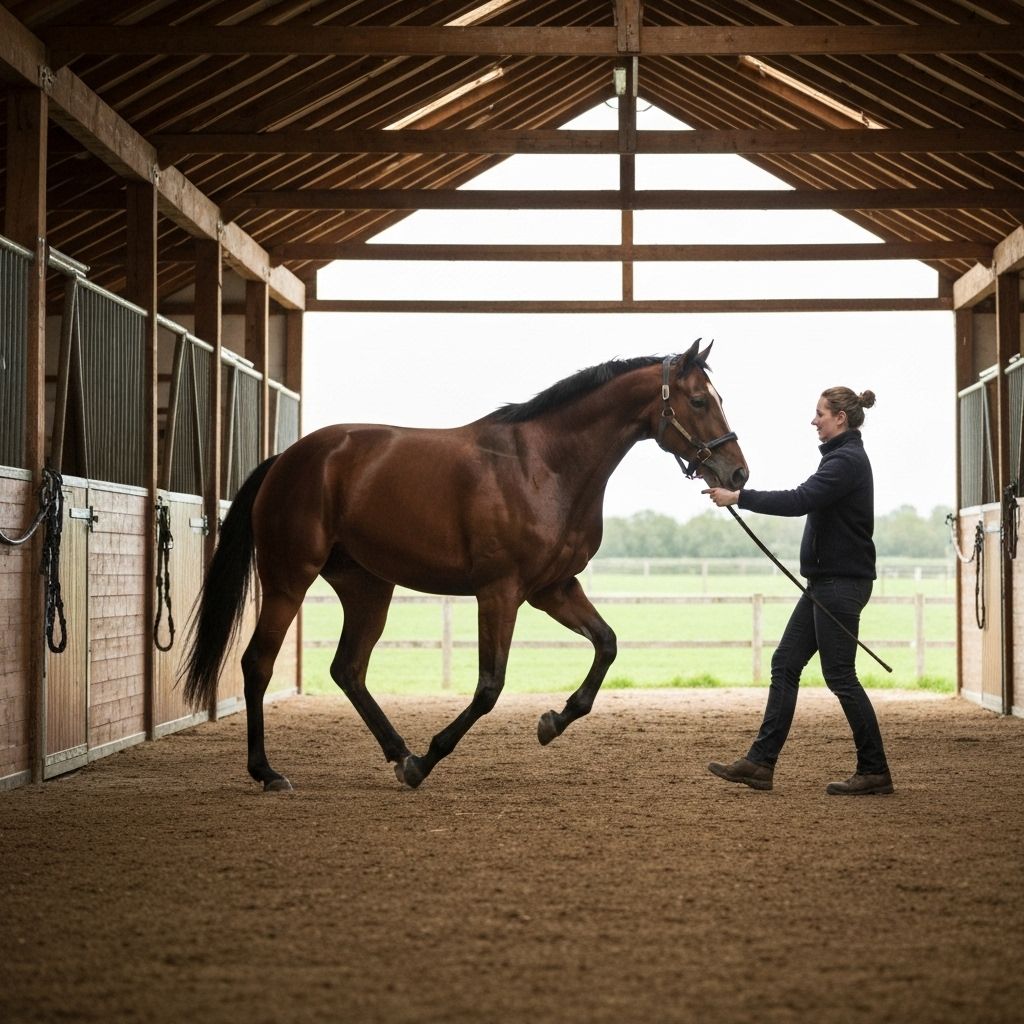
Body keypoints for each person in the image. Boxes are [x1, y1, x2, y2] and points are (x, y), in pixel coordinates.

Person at [702, 386, 893, 796]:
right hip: (826, 585)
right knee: (785, 663)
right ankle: (759, 764)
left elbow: (801, 499)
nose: (814, 420)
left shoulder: (846, 462)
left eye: (820, 413)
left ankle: (875, 769)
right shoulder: (842, 459)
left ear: (840, 417)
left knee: (840, 675)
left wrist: (740, 497)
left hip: (839, 586)